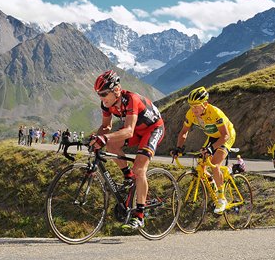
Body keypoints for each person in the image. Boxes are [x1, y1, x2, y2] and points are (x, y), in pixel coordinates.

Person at [90, 70, 165, 231]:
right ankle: (128, 176)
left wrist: (105, 137)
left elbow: (129, 131)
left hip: (153, 129)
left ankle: (139, 216)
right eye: (99, 94)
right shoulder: (106, 104)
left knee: (139, 169)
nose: (101, 98)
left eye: (104, 93)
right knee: (111, 144)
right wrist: (96, 138)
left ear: (116, 90)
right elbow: (106, 127)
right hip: (137, 131)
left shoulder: (131, 99)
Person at [173, 86, 236, 215]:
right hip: (212, 137)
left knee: (215, 164)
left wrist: (211, 149)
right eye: (191, 106)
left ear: (205, 104)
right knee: (202, 166)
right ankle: (213, 181)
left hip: (227, 136)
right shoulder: (190, 114)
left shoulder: (215, 113)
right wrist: (178, 148)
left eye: (197, 106)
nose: (193, 109)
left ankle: (221, 198)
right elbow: (183, 132)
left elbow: (225, 136)